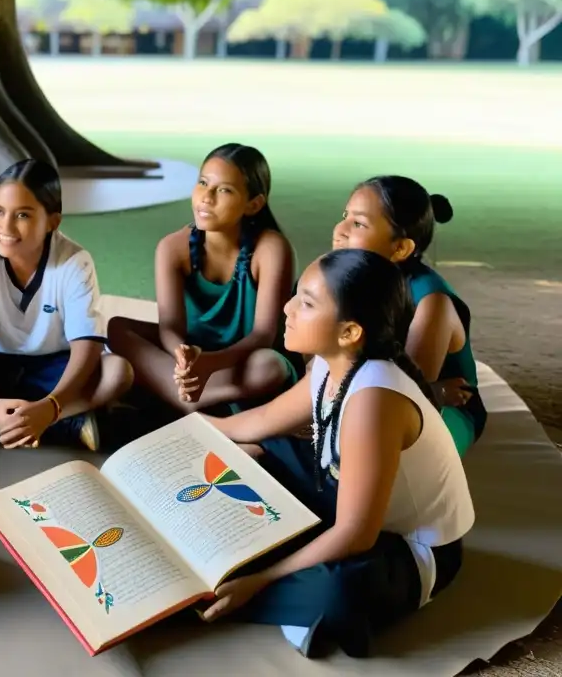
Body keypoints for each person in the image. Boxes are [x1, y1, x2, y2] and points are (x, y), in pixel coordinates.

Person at [200, 249, 474, 659]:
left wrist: (260, 580)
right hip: (349, 500)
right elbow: (252, 423)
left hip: (409, 548)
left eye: (307, 303)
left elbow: (355, 534)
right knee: (258, 452)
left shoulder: (375, 398)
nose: (288, 308)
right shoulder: (333, 365)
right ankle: (268, 576)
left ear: (349, 332)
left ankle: (239, 590)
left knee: (336, 593)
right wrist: (182, 434)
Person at [0, 158, 134, 452]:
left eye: (23, 215)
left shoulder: (74, 262)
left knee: (119, 372)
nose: (6, 226)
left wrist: (53, 405)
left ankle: (21, 421)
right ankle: (31, 423)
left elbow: (87, 347)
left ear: (52, 223)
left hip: (55, 365)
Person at [107, 143, 300, 418]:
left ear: (253, 204)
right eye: (203, 183)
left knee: (270, 366)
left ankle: (184, 400)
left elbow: (263, 336)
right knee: (118, 328)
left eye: (224, 190)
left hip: (242, 360)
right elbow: (170, 327)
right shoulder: (172, 248)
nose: (206, 197)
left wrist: (209, 364)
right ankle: (196, 398)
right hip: (196, 357)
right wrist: (182, 357)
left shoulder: (271, 250)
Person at [333, 176, 485, 455]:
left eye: (358, 224)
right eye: (345, 216)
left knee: (385, 440)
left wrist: (436, 392)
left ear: (401, 248)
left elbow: (409, 390)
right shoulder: (345, 278)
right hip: (373, 390)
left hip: (443, 405)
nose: (339, 230)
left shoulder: (431, 301)